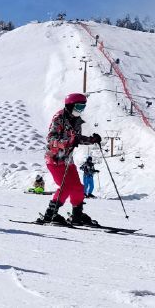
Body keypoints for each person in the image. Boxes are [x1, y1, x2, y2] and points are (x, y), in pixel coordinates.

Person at [40, 93, 101, 225]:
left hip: (67, 160)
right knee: (65, 187)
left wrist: (92, 140)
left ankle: (76, 215)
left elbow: (76, 139)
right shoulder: (59, 118)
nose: (81, 110)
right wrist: (67, 142)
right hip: (55, 159)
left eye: (83, 107)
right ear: (70, 105)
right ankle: (50, 215)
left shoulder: (77, 121)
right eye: (78, 107)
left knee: (78, 187)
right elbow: (51, 139)